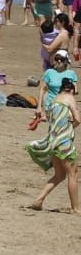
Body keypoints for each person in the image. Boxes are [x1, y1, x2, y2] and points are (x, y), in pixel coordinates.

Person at [28, 76, 79, 214]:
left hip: (53, 140)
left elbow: (50, 119)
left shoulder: (54, 100)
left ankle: (39, 200)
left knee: (59, 175)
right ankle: (75, 208)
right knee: (72, 175)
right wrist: (70, 128)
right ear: (71, 90)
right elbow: (78, 119)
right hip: (64, 142)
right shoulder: (69, 98)